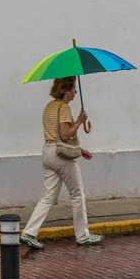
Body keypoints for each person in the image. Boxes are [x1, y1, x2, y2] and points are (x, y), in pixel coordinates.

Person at [20, 76, 104, 249]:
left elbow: (55, 135)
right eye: (73, 88)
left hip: (48, 152)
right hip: (61, 157)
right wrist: (80, 121)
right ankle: (83, 235)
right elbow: (65, 135)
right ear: (66, 90)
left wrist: (80, 150)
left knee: (48, 196)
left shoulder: (49, 106)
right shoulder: (64, 108)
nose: (75, 91)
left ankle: (29, 232)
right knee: (77, 194)